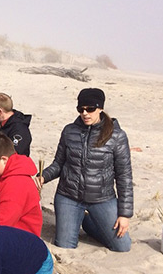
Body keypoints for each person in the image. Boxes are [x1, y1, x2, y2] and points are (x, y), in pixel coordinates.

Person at [38, 88, 132, 252]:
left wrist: (124, 214)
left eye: (90, 109)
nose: (85, 113)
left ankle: (89, 222)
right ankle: (77, 218)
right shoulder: (69, 131)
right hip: (69, 196)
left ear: (100, 108)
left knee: (122, 247)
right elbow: (59, 164)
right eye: (81, 109)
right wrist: (42, 177)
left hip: (102, 198)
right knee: (65, 245)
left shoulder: (117, 136)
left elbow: (124, 177)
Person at [0, 133, 42, 236]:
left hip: (20, 236)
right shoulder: (1, 174)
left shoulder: (16, 184)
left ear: (4, 159)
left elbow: (4, 222)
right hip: (2, 227)